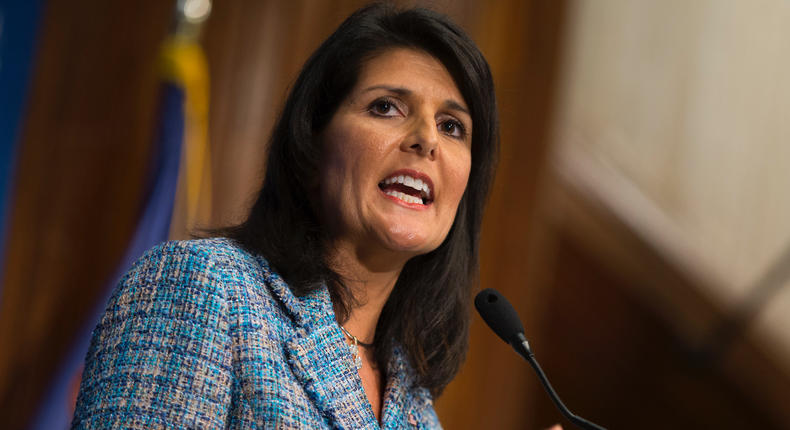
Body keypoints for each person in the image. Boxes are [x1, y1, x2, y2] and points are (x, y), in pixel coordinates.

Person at [71, 3, 500, 429]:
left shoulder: (415, 405)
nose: (427, 139)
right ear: (311, 147)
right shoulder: (204, 287)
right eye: (386, 107)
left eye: (452, 126)